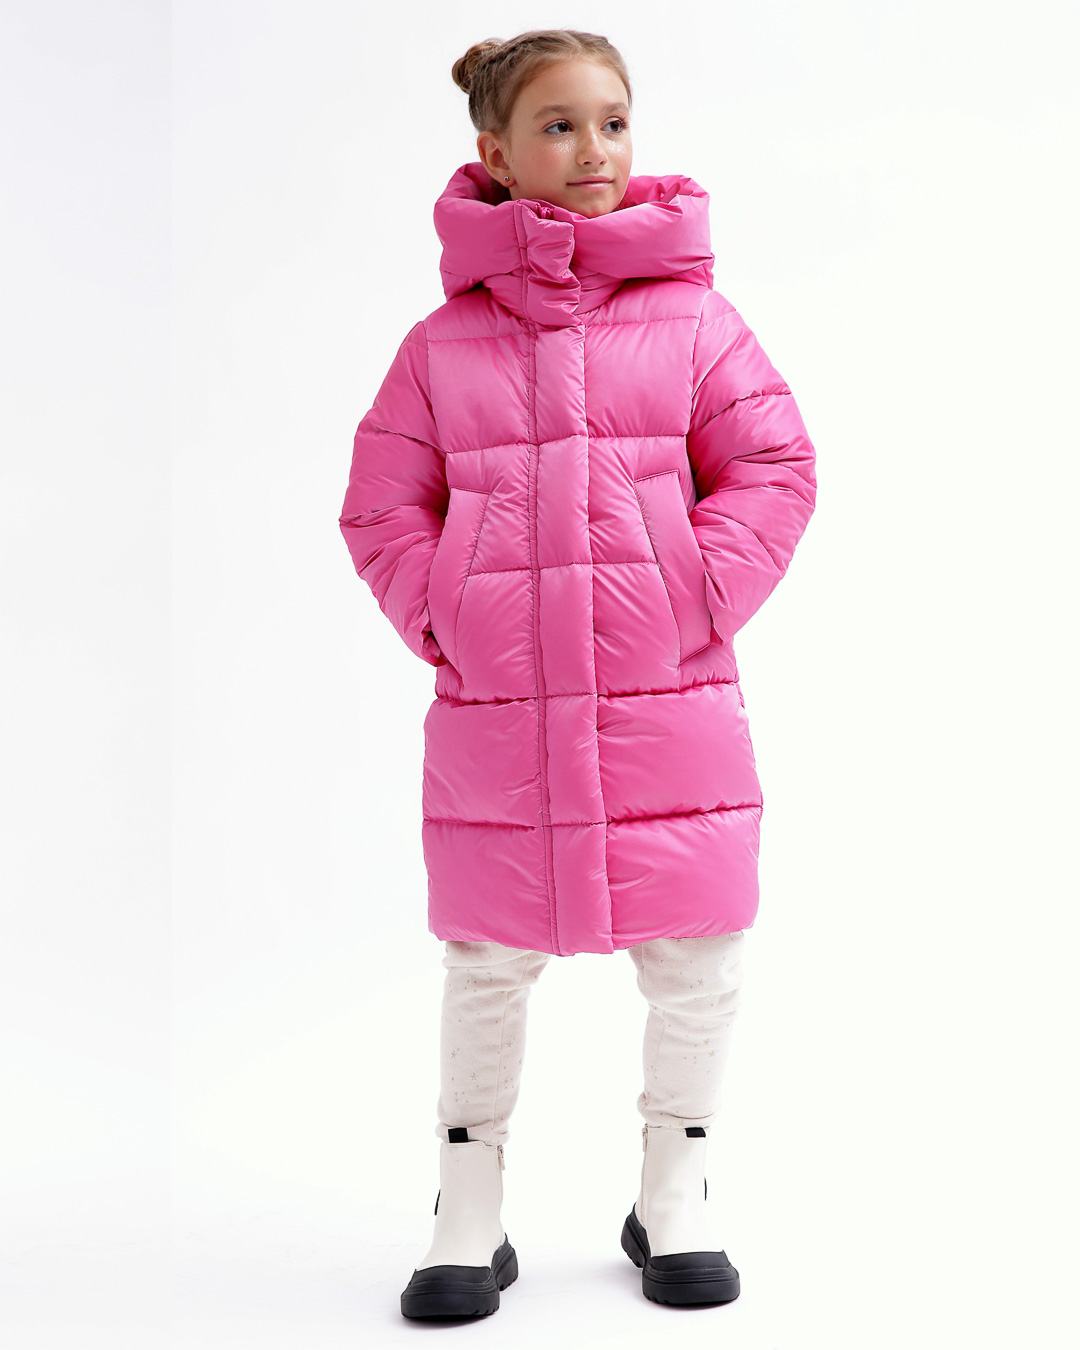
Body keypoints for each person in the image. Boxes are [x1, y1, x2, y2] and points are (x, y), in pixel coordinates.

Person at [338, 28, 817, 1321]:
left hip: (671, 698)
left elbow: (774, 466)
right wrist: (450, 611)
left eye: (613, 121)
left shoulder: (696, 321)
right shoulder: (442, 346)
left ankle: (678, 1185)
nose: (594, 148)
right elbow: (382, 503)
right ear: (495, 154)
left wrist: (692, 590)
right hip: (501, 708)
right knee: (487, 957)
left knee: (697, 951)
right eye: (558, 125)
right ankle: (468, 1199)